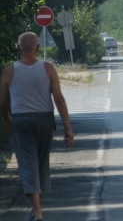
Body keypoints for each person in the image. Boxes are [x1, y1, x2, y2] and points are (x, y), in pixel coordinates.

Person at [0, 32, 75, 221]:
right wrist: (67, 127)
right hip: (45, 120)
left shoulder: (9, 70)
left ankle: (37, 210)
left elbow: (2, 100)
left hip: (21, 120)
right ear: (38, 48)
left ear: (18, 48)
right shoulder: (48, 68)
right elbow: (58, 98)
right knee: (42, 162)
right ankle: (38, 208)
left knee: (27, 162)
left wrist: (6, 117)